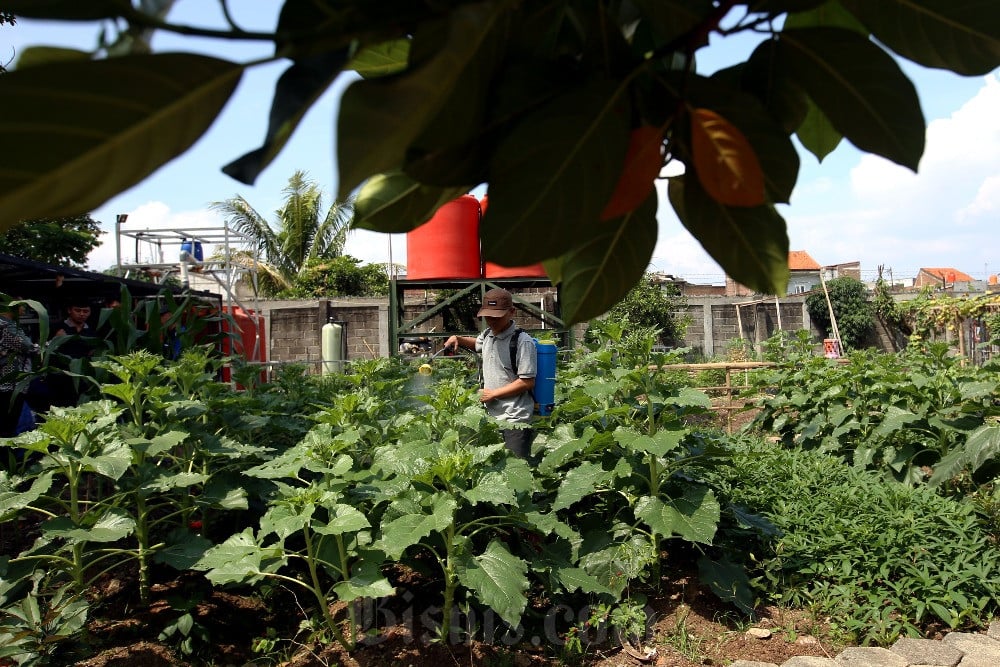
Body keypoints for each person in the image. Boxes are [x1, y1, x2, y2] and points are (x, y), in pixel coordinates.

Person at [445, 288, 537, 460]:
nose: (491, 321)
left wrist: (493, 394)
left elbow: (527, 381)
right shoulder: (488, 334)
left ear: (511, 312)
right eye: (488, 317)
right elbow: (478, 344)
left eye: (497, 317)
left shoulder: (523, 342)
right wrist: (459, 338)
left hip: (514, 420)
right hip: (490, 418)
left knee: (516, 472)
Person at [0, 302, 39, 437]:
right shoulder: (4, 326)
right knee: (7, 428)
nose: (25, 308)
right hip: (9, 385)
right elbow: (28, 347)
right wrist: (49, 345)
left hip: (10, 384)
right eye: (23, 304)